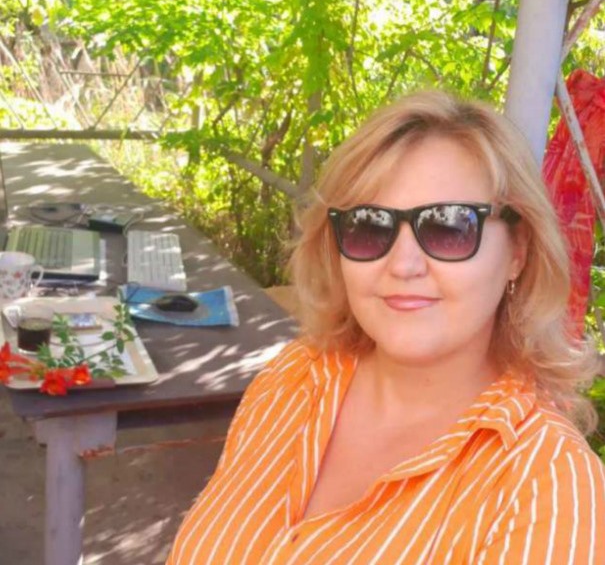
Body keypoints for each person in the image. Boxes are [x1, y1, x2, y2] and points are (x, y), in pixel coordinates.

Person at [166, 91, 605, 564]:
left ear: (518, 250)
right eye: (369, 225)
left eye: (449, 227)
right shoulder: (293, 377)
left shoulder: (546, 486)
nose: (403, 264)